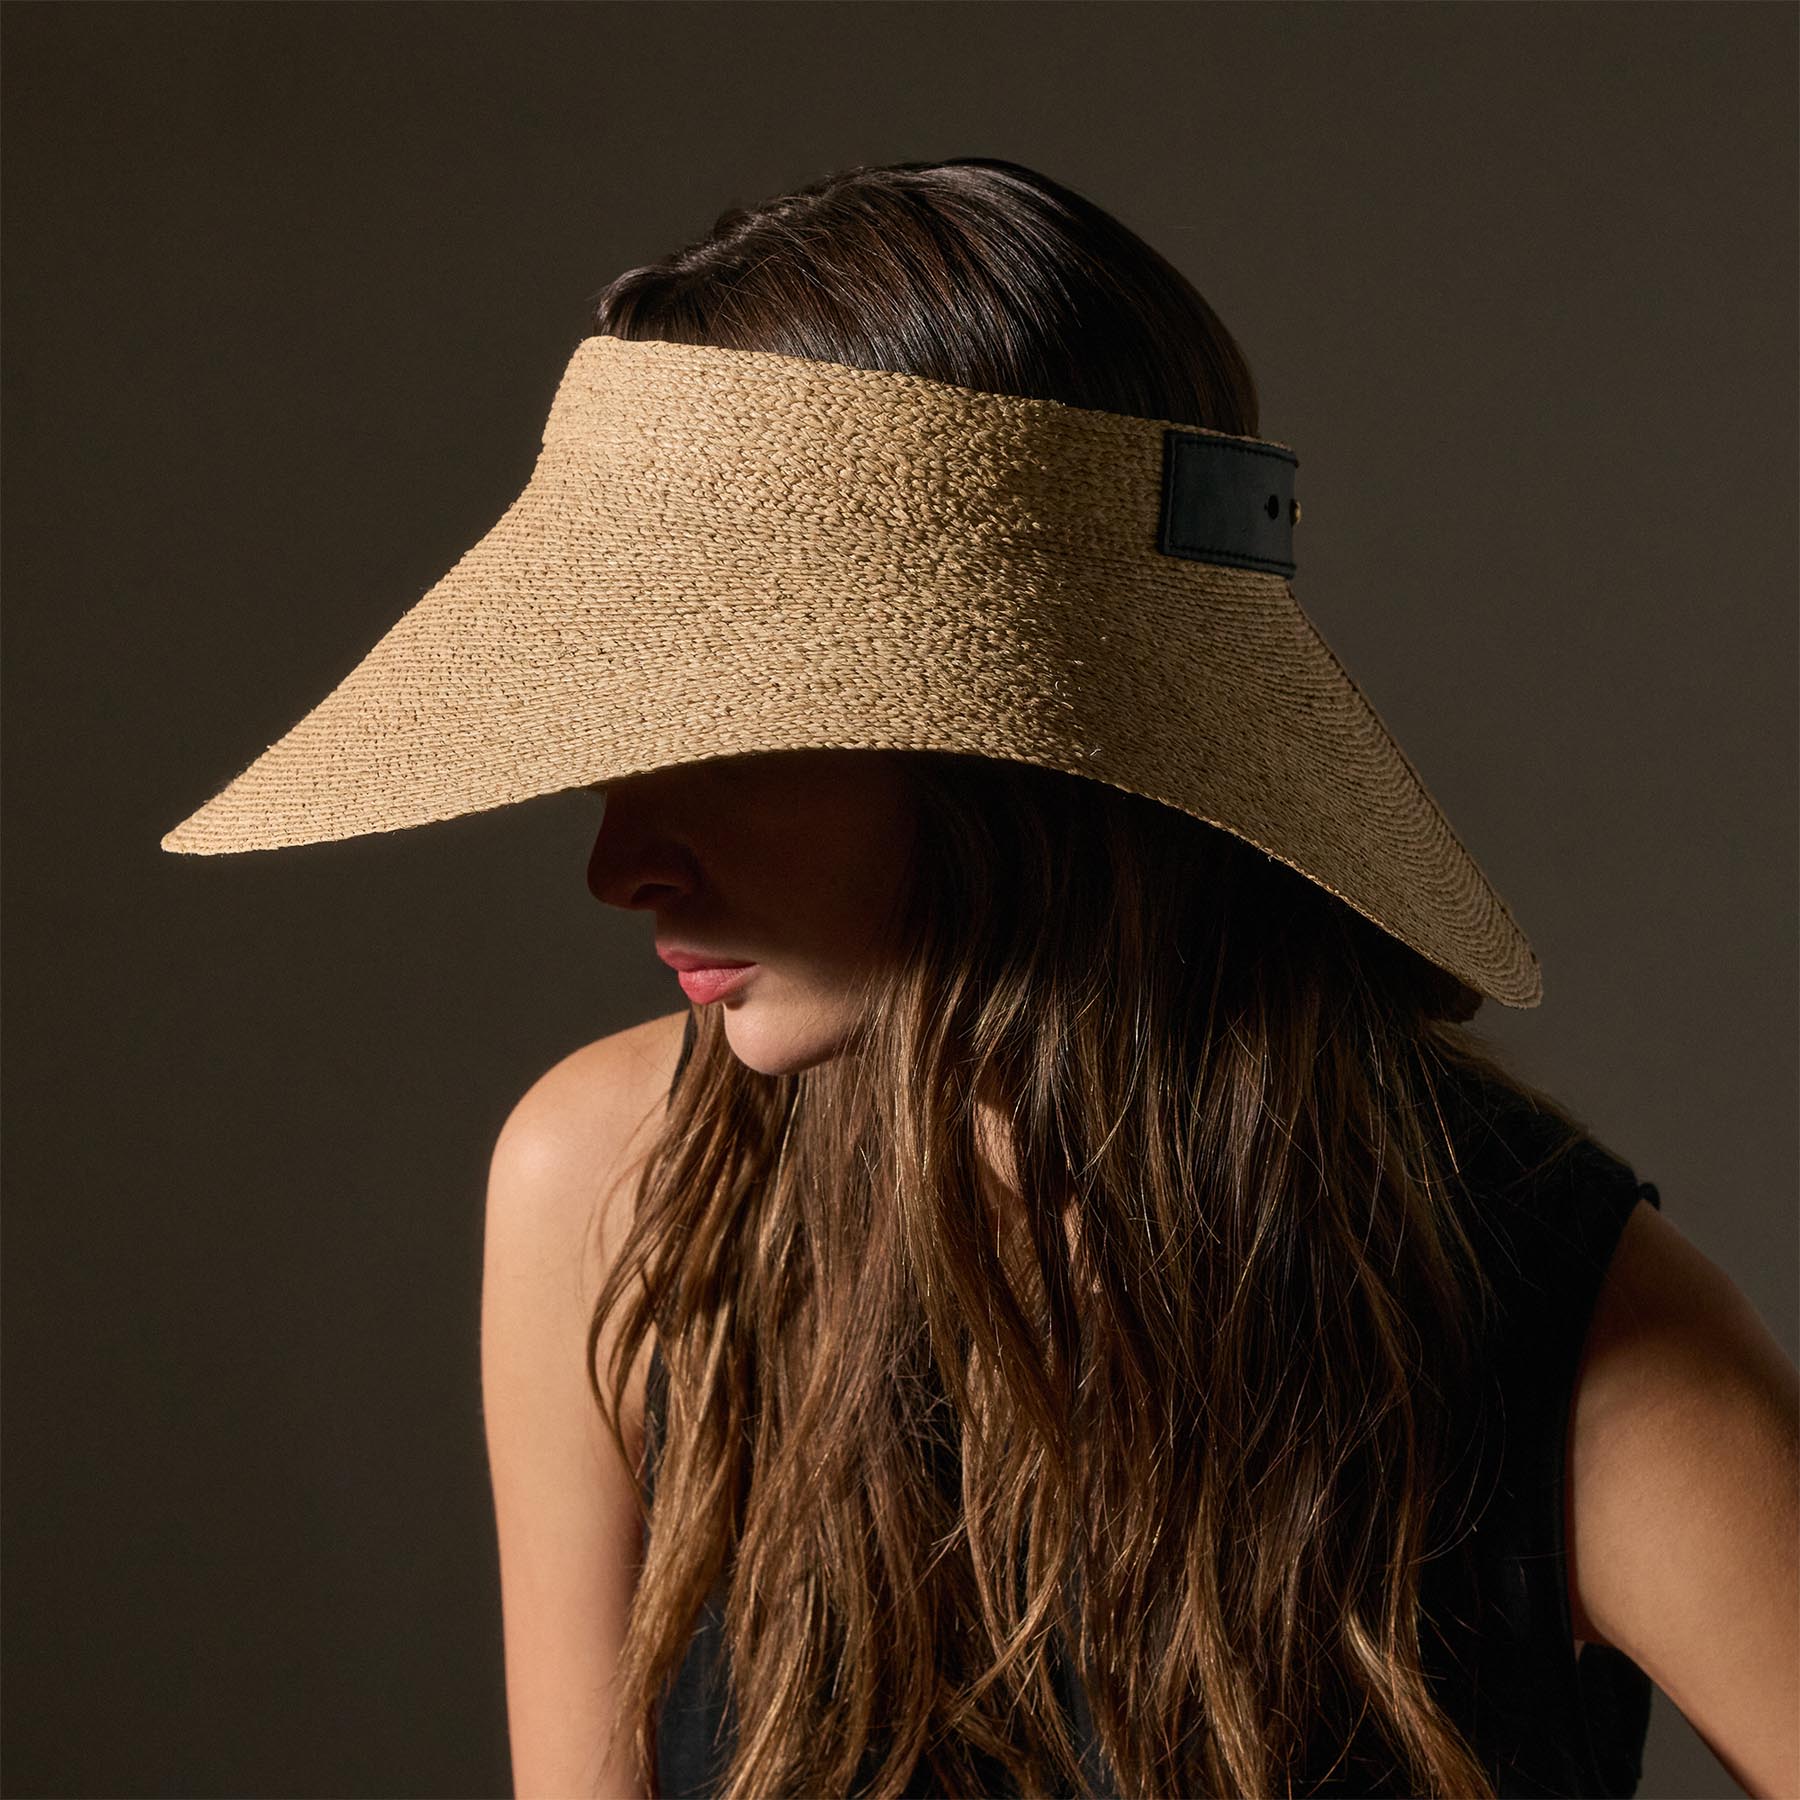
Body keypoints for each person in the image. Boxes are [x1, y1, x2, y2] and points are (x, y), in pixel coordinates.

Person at [162, 157, 1797, 1799]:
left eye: (717, 744)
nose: (619, 864)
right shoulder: (610, 1193)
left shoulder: (1570, 1333)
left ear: (1022, 754)